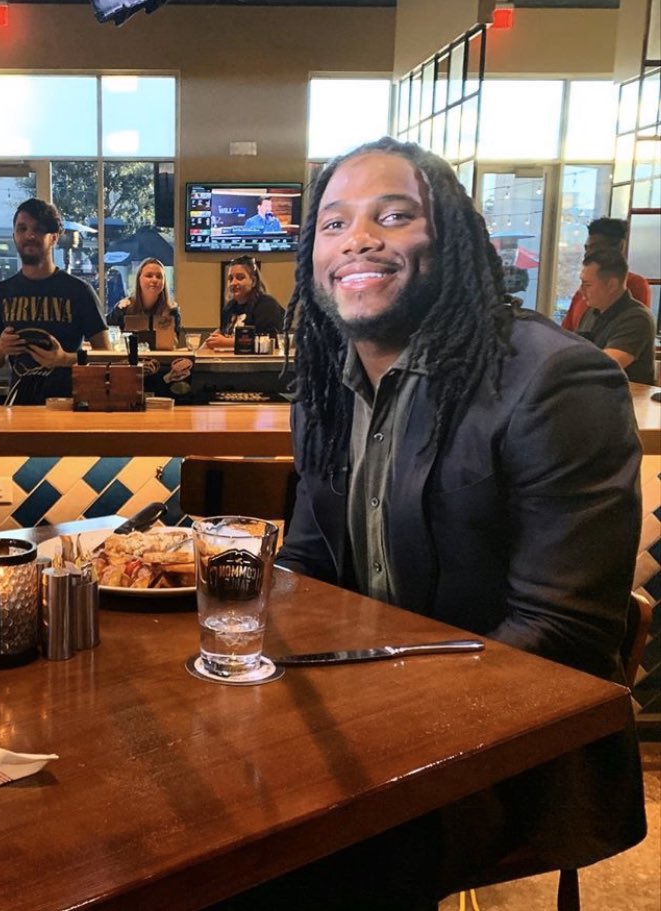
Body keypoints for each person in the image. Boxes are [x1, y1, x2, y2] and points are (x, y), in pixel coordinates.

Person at [234, 137, 646, 910]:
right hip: (359, 712)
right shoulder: (325, 384)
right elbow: (310, 564)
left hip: (516, 746)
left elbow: (560, 634)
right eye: (334, 223)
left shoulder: (554, 378)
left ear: (451, 234)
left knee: (264, 862)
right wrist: (243, 649)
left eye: (393, 216)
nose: (357, 238)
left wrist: (380, 717)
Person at [0, 198, 110, 405]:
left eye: (38, 229)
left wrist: (65, 360)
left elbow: (106, 357)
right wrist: (1, 347)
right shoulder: (0, 293)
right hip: (19, 407)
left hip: (70, 407)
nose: (29, 235)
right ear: (14, 236)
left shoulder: (79, 291)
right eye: (22, 229)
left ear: (54, 238)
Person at [575, 247, 657, 385]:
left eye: (587, 285)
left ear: (612, 285)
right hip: (592, 391)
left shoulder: (637, 318)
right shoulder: (591, 312)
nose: (580, 290)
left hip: (627, 397)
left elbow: (605, 366)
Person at [561, 217, 652, 331]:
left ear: (619, 247)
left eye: (595, 247)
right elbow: (565, 332)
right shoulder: (583, 291)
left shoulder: (635, 285)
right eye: (586, 248)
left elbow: (634, 329)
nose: (587, 253)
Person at [205, 255, 285, 350]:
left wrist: (228, 343)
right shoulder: (229, 307)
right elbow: (221, 334)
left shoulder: (267, 305)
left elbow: (270, 342)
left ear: (253, 281)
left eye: (240, 278)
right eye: (230, 278)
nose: (233, 283)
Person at [106, 258, 182, 336]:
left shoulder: (172, 310)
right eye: (149, 276)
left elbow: (175, 340)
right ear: (139, 279)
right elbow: (107, 334)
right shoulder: (123, 308)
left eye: (159, 277)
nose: (154, 280)